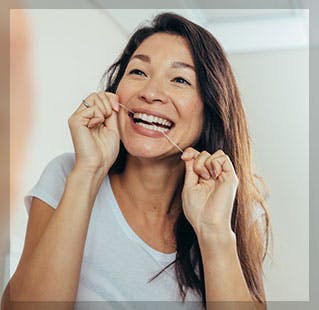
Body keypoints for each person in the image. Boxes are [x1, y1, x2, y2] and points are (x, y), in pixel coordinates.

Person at [1, 12, 269, 310]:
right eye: (139, 72)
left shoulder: (236, 211)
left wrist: (214, 231)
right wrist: (88, 173)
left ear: (212, 108)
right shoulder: (66, 174)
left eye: (180, 79)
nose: (151, 93)